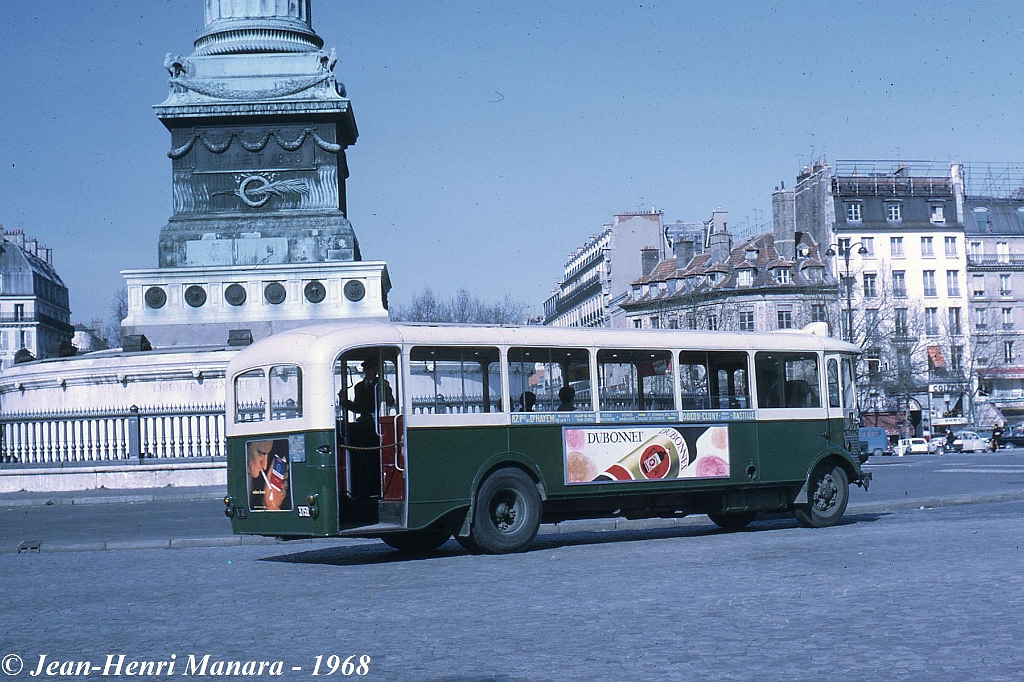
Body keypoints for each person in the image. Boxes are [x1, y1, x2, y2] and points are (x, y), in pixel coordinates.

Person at [339, 357, 395, 500]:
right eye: (367, 369)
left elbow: (390, 402)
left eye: (371, 369)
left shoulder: (382, 384)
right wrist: (344, 402)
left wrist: (388, 398)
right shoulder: (358, 387)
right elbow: (358, 408)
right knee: (363, 460)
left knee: (376, 458)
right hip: (364, 426)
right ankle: (363, 491)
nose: (369, 372)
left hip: (378, 426)